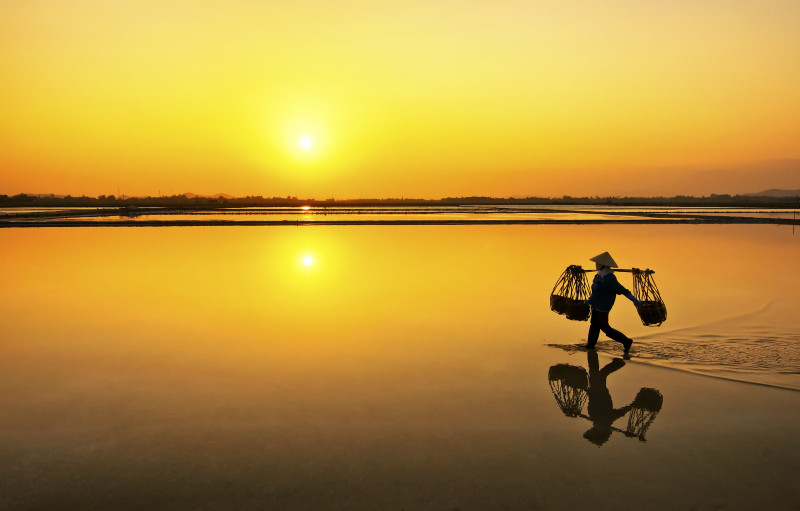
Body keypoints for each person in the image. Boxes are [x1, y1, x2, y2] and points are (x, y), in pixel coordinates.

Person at [585, 251, 640, 353]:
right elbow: (595, 292)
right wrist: (589, 300)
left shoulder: (609, 279)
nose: (596, 265)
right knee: (594, 325)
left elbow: (623, 291)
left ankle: (626, 341)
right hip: (595, 306)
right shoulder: (598, 276)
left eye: (597, 263)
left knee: (605, 327)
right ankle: (590, 346)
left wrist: (634, 300)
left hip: (603, 307)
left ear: (603, 265)